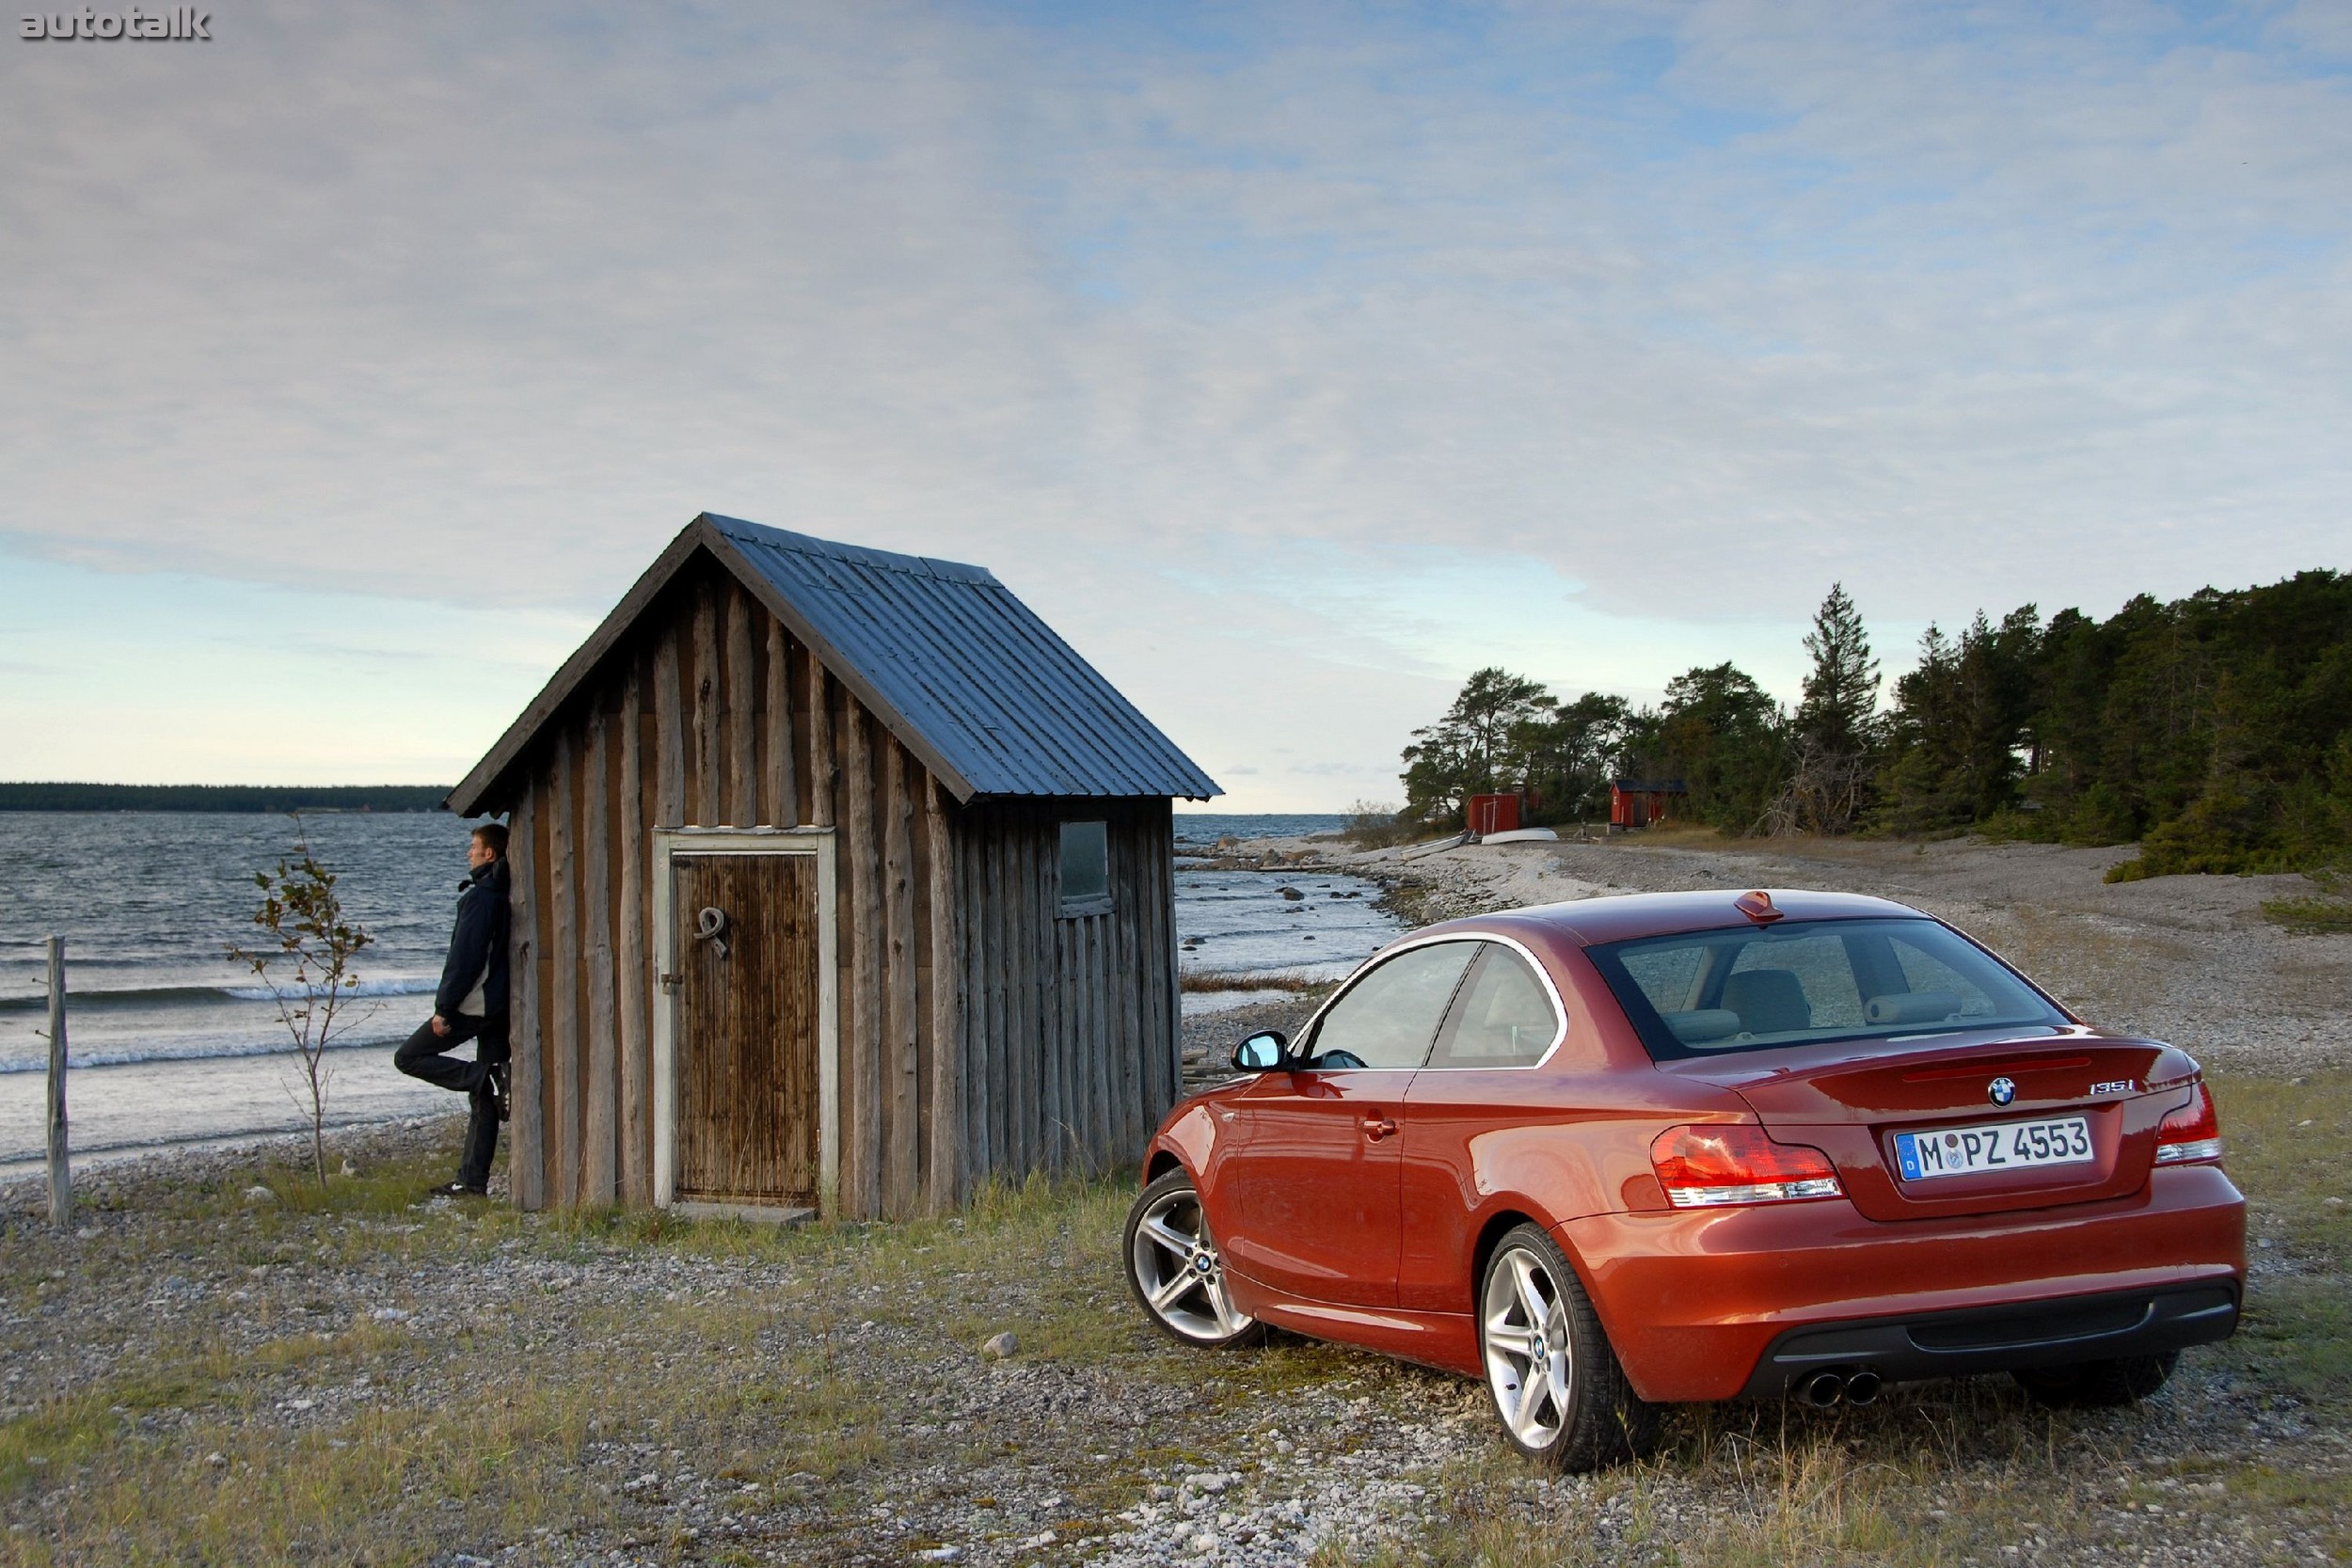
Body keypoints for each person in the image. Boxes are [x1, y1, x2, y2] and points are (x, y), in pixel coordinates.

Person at [394, 820, 512, 1196]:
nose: (468, 853)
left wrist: (444, 1008)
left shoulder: (481, 899)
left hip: (475, 1004)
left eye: (473, 848)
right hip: (498, 1005)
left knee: (408, 1057)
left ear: (489, 854)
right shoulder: (500, 893)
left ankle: (484, 1076)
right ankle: (472, 1182)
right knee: (483, 1098)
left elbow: (465, 960)